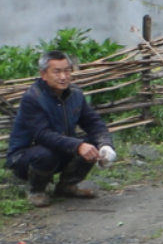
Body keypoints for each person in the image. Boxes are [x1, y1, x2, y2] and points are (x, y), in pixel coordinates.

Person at [7, 50, 115, 207]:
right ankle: (36, 190)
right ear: (43, 74)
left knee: (93, 142)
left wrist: (105, 145)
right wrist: (77, 146)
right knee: (46, 153)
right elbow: (42, 135)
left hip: (60, 150)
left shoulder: (76, 94)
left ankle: (67, 185)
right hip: (26, 156)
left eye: (67, 70)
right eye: (57, 71)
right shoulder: (33, 98)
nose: (63, 77)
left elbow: (93, 122)